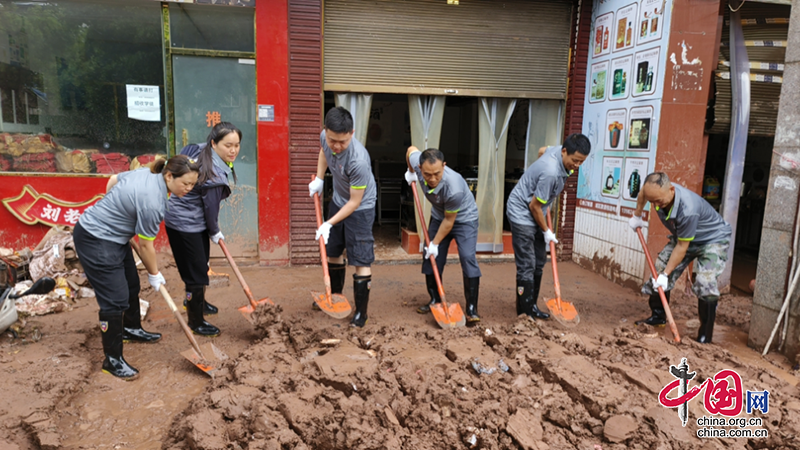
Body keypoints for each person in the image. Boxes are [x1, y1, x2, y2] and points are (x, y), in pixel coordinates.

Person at [73, 156, 199, 379]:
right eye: (185, 184)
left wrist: (116, 208)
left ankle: (130, 329)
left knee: (131, 283)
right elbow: (146, 245)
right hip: (95, 238)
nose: (189, 189)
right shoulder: (153, 202)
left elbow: (113, 180)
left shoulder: (149, 172)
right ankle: (112, 360)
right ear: (169, 176)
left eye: (192, 184)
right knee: (115, 298)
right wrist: (155, 274)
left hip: (115, 237)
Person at [628, 172, 731, 343]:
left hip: (712, 240)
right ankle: (658, 317)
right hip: (685, 236)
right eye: (652, 201)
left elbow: (682, 247)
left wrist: (666, 275)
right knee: (657, 272)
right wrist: (637, 215)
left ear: (672, 190)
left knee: (706, 282)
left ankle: (705, 334)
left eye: (659, 201)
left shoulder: (688, 209)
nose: (656, 205)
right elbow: (642, 195)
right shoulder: (655, 192)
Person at [164, 122, 241, 337]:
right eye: (228, 145)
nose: (233, 150)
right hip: (184, 224)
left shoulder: (194, 149)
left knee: (201, 263)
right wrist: (214, 230)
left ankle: (199, 303)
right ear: (214, 143)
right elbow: (210, 208)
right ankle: (195, 320)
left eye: (236, 145)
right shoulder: (213, 175)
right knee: (196, 273)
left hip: (188, 220)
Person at [506, 134, 591, 320]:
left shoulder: (556, 151)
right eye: (574, 161)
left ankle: (531, 305)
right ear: (564, 152)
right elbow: (534, 206)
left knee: (539, 262)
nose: (576, 166)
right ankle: (524, 313)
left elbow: (542, 150)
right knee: (527, 265)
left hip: (537, 209)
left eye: (581, 162)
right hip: (522, 211)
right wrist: (547, 231)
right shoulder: (551, 172)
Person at [309, 107, 377, 328]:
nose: (336, 146)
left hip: (360, 208)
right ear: (325, 131)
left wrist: (329, 222)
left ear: (353, 133)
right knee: (333, 252)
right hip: (339, 200)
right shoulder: (325, 138)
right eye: (332, 140)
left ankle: (361, 313)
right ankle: (334, 296)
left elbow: (355, 202)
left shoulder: (358, 161)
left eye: (342, 142)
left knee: (360, 259)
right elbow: (324, 152)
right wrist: (320, 178)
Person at [404, 146, 482, 323]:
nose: (432, 179)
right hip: (439, 216)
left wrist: (435, 244)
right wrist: (410, 172)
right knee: (430, 258)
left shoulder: (453, 186)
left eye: (437, 174)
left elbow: (450, 221)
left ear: (444, 166)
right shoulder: (418, 163)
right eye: (427, 174)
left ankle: (471, 308)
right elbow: (410, 150)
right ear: (420, 168)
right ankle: (435, 298)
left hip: (464, 219)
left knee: (467, 257)